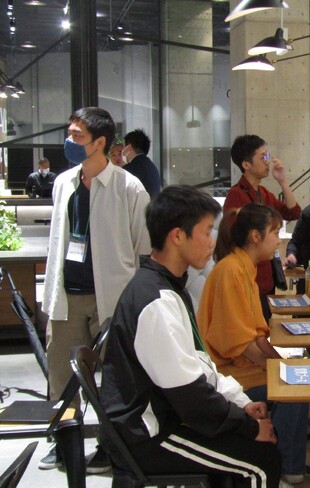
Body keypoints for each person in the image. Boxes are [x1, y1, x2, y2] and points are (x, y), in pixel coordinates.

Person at [99, 186, 284, 487]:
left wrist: (240, 403)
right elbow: (190, 396)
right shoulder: (156, 300)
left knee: (252, 443)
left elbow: (198, 364)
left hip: (168, 415)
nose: (213, 241)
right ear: (177, 236)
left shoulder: (168, 286)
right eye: (206, 232)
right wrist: (248, 426)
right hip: (148, 434)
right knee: (262, 461)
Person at [40, 107, 151, 472]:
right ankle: (64, 443)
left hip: (112, 298)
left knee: (116, 380)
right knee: (62, 378)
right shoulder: (63, 183)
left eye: (77, 136)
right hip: (67, 297)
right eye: (70, 134)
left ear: (100, 142)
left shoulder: (128, 187)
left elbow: (143, 246)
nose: (69, 141)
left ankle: (109, 446)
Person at [197, 203, 309, 485]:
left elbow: (258, 336)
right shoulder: (230, 270)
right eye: (275, 233)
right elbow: (241, 343)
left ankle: (288, 466)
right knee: (293, 390)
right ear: (256, 236)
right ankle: (279, 468)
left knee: (296, 379)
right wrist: (279, 372)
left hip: (243, 366)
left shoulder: (245, 268)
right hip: (228, 373)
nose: (278, 240)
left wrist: (283, 366)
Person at [223, 135, 301, 320]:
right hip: (249, 277)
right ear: (246, 164)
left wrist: (283, 181)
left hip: (266, 276)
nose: (268, 161)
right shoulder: (236, 195)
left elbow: (293, 212)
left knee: (264, 325)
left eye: (267, 156)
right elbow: (234, 241)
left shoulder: (263, 193)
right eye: (263, 157)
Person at [123, 128, 162, 197]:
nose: (123, 151)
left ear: (129, 148)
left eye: (124, 147)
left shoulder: (129, 170)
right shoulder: (151, 166)